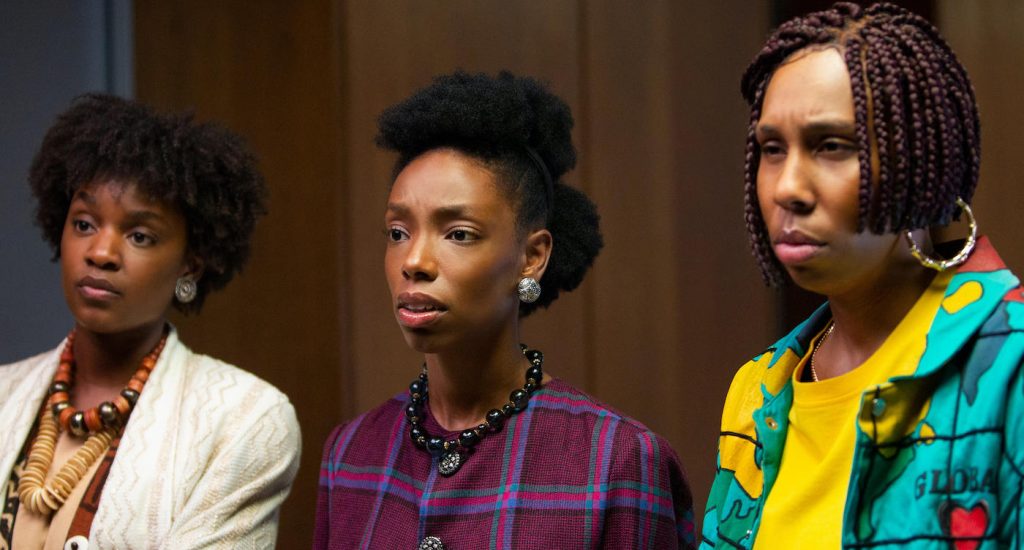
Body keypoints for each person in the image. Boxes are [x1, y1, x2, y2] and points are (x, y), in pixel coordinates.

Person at [314, 71, 695, 549]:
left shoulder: (617, 461)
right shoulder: (350, 454)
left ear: (531, 257)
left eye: (459, 234)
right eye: (398, 232)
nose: (414, 261)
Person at [700, 2, 1024, 548]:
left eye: (831, 146)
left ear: (924, 167)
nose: (787, 188)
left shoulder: (1009, 368)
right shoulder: (758, 393)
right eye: (772, 149)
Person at [0, 94, 301, 548]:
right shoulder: (4, 395)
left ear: (190, 266)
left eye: (139, 235)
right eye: (83, 223)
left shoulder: (244, 421)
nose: (100, 253)